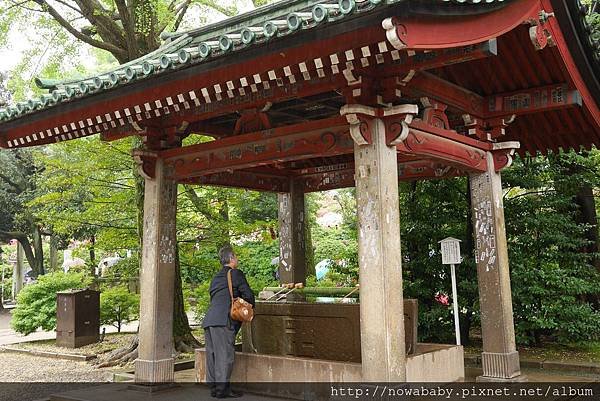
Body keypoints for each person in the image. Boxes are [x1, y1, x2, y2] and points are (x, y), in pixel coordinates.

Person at [202, 245, 255, 398]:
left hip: (210, 319)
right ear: (231, 258)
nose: (237, 259)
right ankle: (222, 390)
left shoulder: (216, 277)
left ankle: (213, 388)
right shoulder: (236, 273)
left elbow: (214, 297)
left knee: (212, 355)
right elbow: (248, 294)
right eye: (236, 256)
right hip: (223, 320)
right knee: (225, 355)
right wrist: (251, 306)